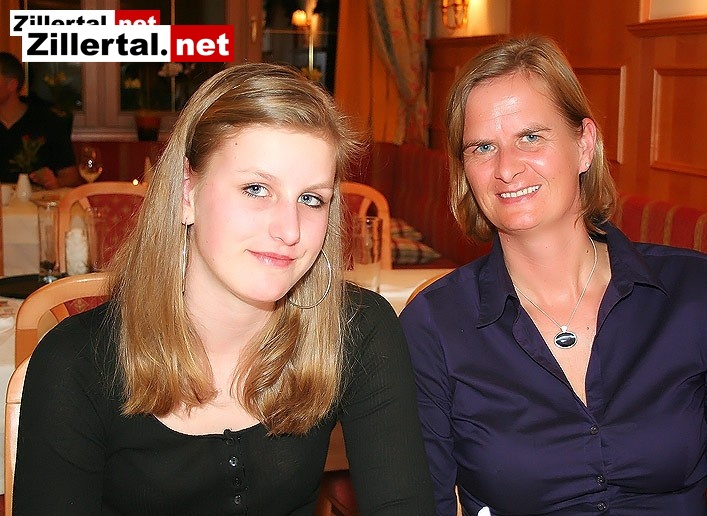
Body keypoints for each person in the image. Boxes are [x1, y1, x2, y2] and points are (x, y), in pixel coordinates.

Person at [14, 62, 436, 515]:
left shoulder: (357, 329)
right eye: (256, 189)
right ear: (186, 194)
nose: (290, 230)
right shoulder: (76, 363)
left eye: (311, 198)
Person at [400, 36, 707, 515]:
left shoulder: (694, 291)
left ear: (584, 145)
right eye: (482, 147)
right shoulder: (434, 326)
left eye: (530, 137)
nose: (506, 169)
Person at [0, 51, 80, 189]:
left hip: (37, 200)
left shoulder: (48, 120)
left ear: (12, 85)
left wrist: (56, 182)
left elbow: (72, 178)